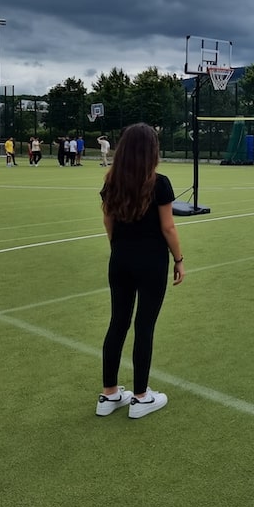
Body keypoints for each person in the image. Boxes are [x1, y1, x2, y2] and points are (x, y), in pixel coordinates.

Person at [97, 123, 185, 418]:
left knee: (118, 323)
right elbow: (168, 227)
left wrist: (119, 248)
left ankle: (109, 394)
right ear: (152, 151)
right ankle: (140, 397)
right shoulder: (160, 183)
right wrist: (179, 259)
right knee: (144, 326)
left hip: (120, 260)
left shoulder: (111, 182)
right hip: (152, 262)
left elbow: (108, 222)